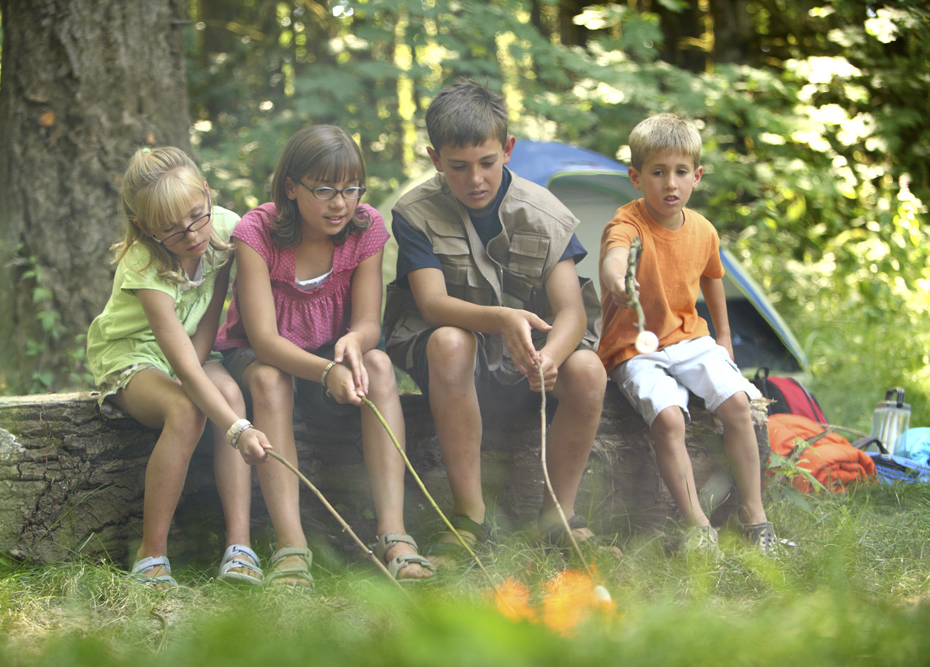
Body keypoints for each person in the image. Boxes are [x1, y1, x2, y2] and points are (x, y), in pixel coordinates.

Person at [383, 79, 608, 565]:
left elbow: (571, 310)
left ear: (507, 150)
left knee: (590, 371)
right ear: (435, 158)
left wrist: (550, 357)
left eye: (487, 163)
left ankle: (559, 516)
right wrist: (503, 319)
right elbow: (431, 303)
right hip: (454, 364)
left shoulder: (546, 213)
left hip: (525, 363)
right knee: (448, 341)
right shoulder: (414, 212)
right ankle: (470, 517)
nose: (475, 179)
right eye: (459, 167)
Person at [214, 125, 434, 586]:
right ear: (291, 188)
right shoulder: (256, 232)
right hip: (259, 353)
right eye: (326, 190)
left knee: (376, 364)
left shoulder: (366, 226)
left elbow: (369, 323)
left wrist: (353, 344)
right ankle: (292, 545)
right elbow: (263, 338)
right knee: (271, 380)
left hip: (328, 353)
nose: (341, 203)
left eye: (352, 188)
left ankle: (393, 533)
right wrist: (326, 370)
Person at [87, 147, 272, 589]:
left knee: (229, 395)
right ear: (144, 227)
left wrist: (227, 407)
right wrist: (238, 430)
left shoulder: (225, 229)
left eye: (197, 216)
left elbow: (211, 313)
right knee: (187, 411)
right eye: (171, 229)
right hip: (133, 354)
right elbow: (182, 371)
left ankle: (239, 547)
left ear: (208, 194)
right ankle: (151, 555)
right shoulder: (143, 263)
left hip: (193, 348)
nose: (191, 235)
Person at [597, 113, 776, 555]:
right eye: (657, 173)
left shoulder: (703, 230)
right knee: (670, 417)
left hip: (690, 338)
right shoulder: (628, 223)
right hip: (634, 348)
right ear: (636, 178)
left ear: (696, 176)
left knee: (738, 403)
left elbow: (713, 278)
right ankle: (699, 529)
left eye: (680, 172)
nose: (669, 184)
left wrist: (725, 336)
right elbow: (613, 259)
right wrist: (618, 283)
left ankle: (755, 517)